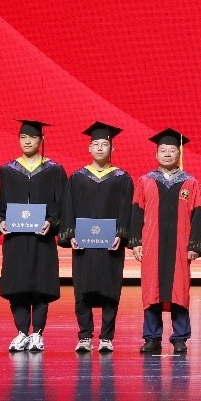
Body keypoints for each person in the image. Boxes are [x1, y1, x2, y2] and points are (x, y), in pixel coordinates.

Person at [129, 129, 201, 355]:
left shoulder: (190, 183)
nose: (167, 154)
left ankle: (180, 337)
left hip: (180, 247)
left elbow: (199, 215)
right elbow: (136, 213)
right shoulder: (145, 181)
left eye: (172, 150)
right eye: (163, 150)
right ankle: (152, 337)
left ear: (179, 154)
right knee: (151, 290)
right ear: (156, 154)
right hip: (151, 246)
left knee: (179, 291)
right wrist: (136, 242)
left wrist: (194, 245)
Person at [59, 122, 134, 354]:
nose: (100, 148)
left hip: (111, 244)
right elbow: (69, 208)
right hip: (84, 244)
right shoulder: (77, 177)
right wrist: (70, 234)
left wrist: (121, 234)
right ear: (89, 148)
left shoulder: (122, 178)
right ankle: (84, 336)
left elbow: (126, 210)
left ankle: (106, 338)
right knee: (82, 289)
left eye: (105, 144)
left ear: (112, 148)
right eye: (96, 144)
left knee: (110, 289)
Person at [0, 119, 67, 353]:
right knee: (17, 286)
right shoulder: (7, 171)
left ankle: (37, 334)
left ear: (41, 140)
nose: (27, 141)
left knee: (40, 286)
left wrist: (52, 222)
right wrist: (1, 221)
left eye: (33, 137)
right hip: (16, 239)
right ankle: (21, 333)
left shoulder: (54, 170)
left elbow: (61, 204)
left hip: (42, 238)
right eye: (23, 137)